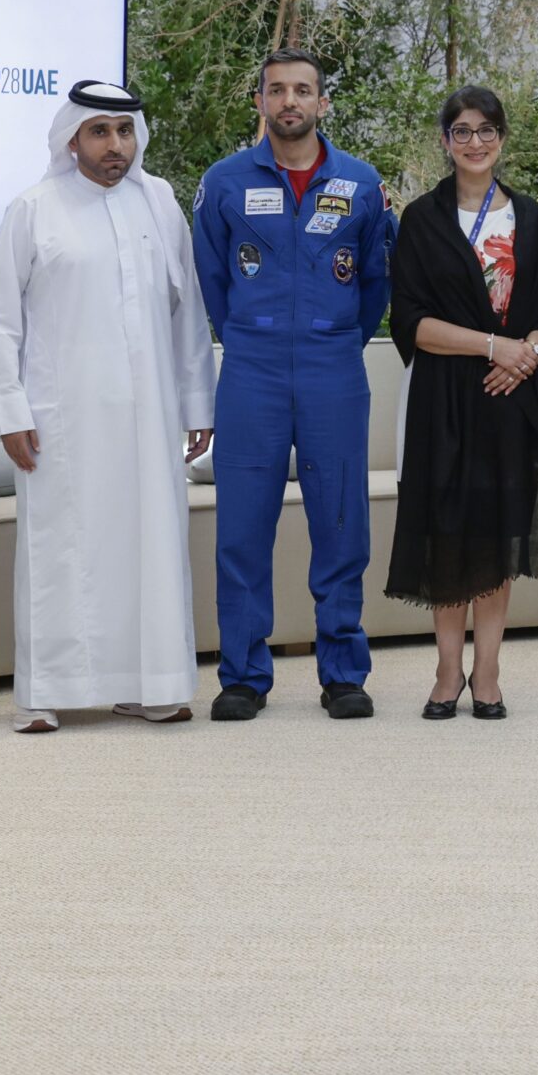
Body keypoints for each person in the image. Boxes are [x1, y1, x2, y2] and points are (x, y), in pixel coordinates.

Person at [0, 81, 217, 733]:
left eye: (125, 131)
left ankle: (153, 682)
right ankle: (46, 691)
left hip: (147, 418)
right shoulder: (33, 207)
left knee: (149, 544)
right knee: (60, 548)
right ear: (72, 138)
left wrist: (198, 402)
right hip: (60, 418)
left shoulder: (160, 201)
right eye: (100, 131)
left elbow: (186, 310)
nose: (115, 145)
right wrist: (9, 410)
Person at [191, 50, 397, 723]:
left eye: (302, 90)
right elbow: (212, 281)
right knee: (242, 524)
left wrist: (333, 337)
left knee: (341, 521)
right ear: (260, 101)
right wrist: (252, 334)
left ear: (322, 103)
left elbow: (375, 284)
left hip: (332, 367)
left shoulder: (361, 185)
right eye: (277, 90)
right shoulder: (223, 182)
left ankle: (343, 671)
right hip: (250, 367)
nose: (290, 101)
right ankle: (244, 674)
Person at [386, 87, 538, 721]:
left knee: (496, 536)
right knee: (446, 534)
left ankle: (487, 672)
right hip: (444, 397)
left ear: (502, 138)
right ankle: (445, 670)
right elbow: (410, 322)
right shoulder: (421, 220)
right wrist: (495, 346)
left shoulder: (530, 218)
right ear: (445, 141)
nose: (475, 142)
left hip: (510, 396)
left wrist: (526, 355)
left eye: (486, 130)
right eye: (461, 131)